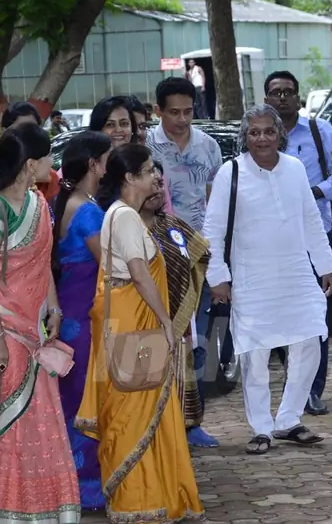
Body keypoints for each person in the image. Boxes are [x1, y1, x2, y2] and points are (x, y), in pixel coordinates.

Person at [75, 143, 205, 522]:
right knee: (136, 411)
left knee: (142, 409)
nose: (156, 176)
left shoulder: (120, 214)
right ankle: (139, 501)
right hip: (137, 326)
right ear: (130, 178)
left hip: (130, 323)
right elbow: (139, 273)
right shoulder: (126, 217)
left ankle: (151, 496)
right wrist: (167, 322)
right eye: (149, 170)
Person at [203, 104, 332, 455]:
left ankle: (289, 420)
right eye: (254, 132)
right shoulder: (231, 173)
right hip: (251, 279)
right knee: (255, 355)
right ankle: (261, 427)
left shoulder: (294, 169)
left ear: (280, 134)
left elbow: (311, 220)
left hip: (296, 275)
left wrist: (326, 265)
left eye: (268, 131)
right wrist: (217, 276)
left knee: (309, 342)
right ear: (245, 137)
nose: (261, 138)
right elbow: (213, 231)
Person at [0, 122, 80, 523]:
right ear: (31, 164)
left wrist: (53, 305)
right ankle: (0, 513)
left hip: (33, 330)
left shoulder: (37, 203)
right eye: (49, 157)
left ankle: (39, 509)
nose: (55, 163)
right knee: (5, 423)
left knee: (39, 419)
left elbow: (43, 258)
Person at [263, 70, 332, 416]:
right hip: (269, 240)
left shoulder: (319, 131)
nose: (282, 98)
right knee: (280, 315)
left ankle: (312, 389)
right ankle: (291, 379)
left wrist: (316, 191)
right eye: (275, 93)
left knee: (315, 316)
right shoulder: (257, 133)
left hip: (315, 236)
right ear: (266, 98)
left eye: (288, 92)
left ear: (298, 97)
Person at [147, 76, 223, 447]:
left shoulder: (208, 147)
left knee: (198, 338)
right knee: (159, 338)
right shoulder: (144, 146)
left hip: (198, 259)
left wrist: (214, 254)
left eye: (188, 112)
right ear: (157, 110)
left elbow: (215, 203)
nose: (181, 119)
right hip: (154, 260)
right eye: (173, 112)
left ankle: (192, 422)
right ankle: (158, 421)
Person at [52, 130, 112, 511]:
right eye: (107, 157)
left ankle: (75, 484)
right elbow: (111, 259)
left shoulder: (70, 202)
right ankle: (86, 487)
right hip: (87, 314)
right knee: (87, 399)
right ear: (94, 164)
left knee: (75, 397)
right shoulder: (87, 209)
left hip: (73, 309)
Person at [139, 164, 208, 434]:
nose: (158, 189)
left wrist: (186, 296)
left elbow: (200, 254)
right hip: (142, 320)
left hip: (179, 322)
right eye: (151, 183)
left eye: (160, 185)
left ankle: (185, 430)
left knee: (183, 370)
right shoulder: (127, 225)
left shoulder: (172, 225)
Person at [0, 102, 54, 242]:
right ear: (5, 133)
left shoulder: (50, 179)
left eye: (32, 130)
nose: (27, 137)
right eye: (21, 130)